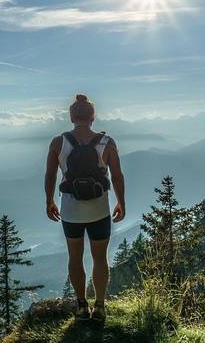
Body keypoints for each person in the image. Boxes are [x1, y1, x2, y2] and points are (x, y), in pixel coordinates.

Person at [44, 94, 126, 323]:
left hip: (70, 210)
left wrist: (49, 200)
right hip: (99, 210)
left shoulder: (58, 142)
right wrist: (121, 202)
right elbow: (117, 176)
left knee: (75, 257)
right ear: (93, 116)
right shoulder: (107, 142)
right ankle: (99, 306)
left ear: (71, 117)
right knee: (100, 259)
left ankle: (81, 306)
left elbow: (50, 174)